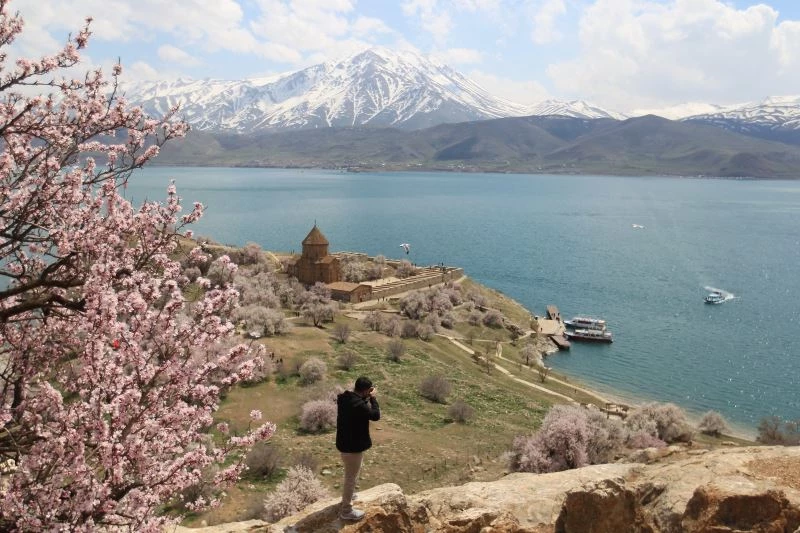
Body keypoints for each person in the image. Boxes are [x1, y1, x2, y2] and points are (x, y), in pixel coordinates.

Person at [336, 376, 380, 521]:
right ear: (367, 390)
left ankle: (349, 496)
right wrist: (373, 398)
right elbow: (375, 415)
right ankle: (346, 510)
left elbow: (358, 407)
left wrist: (366, 397)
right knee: (351, 478)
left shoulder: (345, 399)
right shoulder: (359, 405)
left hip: (344, 445)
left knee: (350, 476)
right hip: (352, 448)